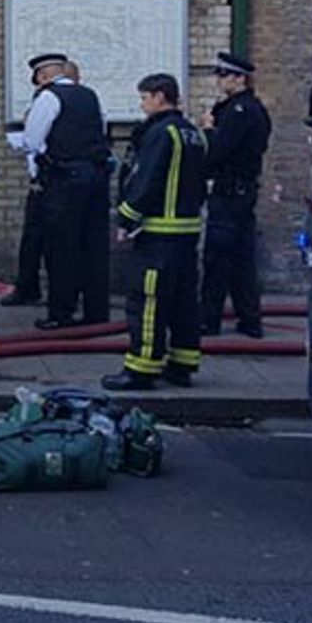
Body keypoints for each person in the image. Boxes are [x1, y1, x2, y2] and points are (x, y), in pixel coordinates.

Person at [102, 73, 208, 391]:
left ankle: (142, 368)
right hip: (187, 232)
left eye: (145, 97)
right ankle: (182, 364)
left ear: (160, 97)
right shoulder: (194, 134)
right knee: (184, 301)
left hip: (159, 234)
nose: (142, 103)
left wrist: (126, 219)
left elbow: (146, 180)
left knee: (147, 301)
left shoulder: (162, 134)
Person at [17, 52, 110, 329]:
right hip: (95, 176)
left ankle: (61, 313)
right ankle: (96, 311)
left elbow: (32, 140)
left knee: (62, 248)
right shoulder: (89, 95)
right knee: (93, 246)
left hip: (64, 180)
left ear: (43, 76)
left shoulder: (48, 97)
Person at [198, 51, 273, 338]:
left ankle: (209, 319)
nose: (219, 80)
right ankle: (249, 320)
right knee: (242, 258)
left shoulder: (240, 111)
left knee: (218, 257)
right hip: (243, 190)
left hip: (230, 191)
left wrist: (207, 131)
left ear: (239, 78)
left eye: (224, 75)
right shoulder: (246, 108)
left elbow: (219, 150)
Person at [2, 61, 47, 307]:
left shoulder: (52, 102)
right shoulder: (81, 103)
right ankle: (29, 287)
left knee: (36, 240)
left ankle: (30, 289)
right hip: (42, 183)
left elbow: (31, 142)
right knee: (34, 241)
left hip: (46, 184)